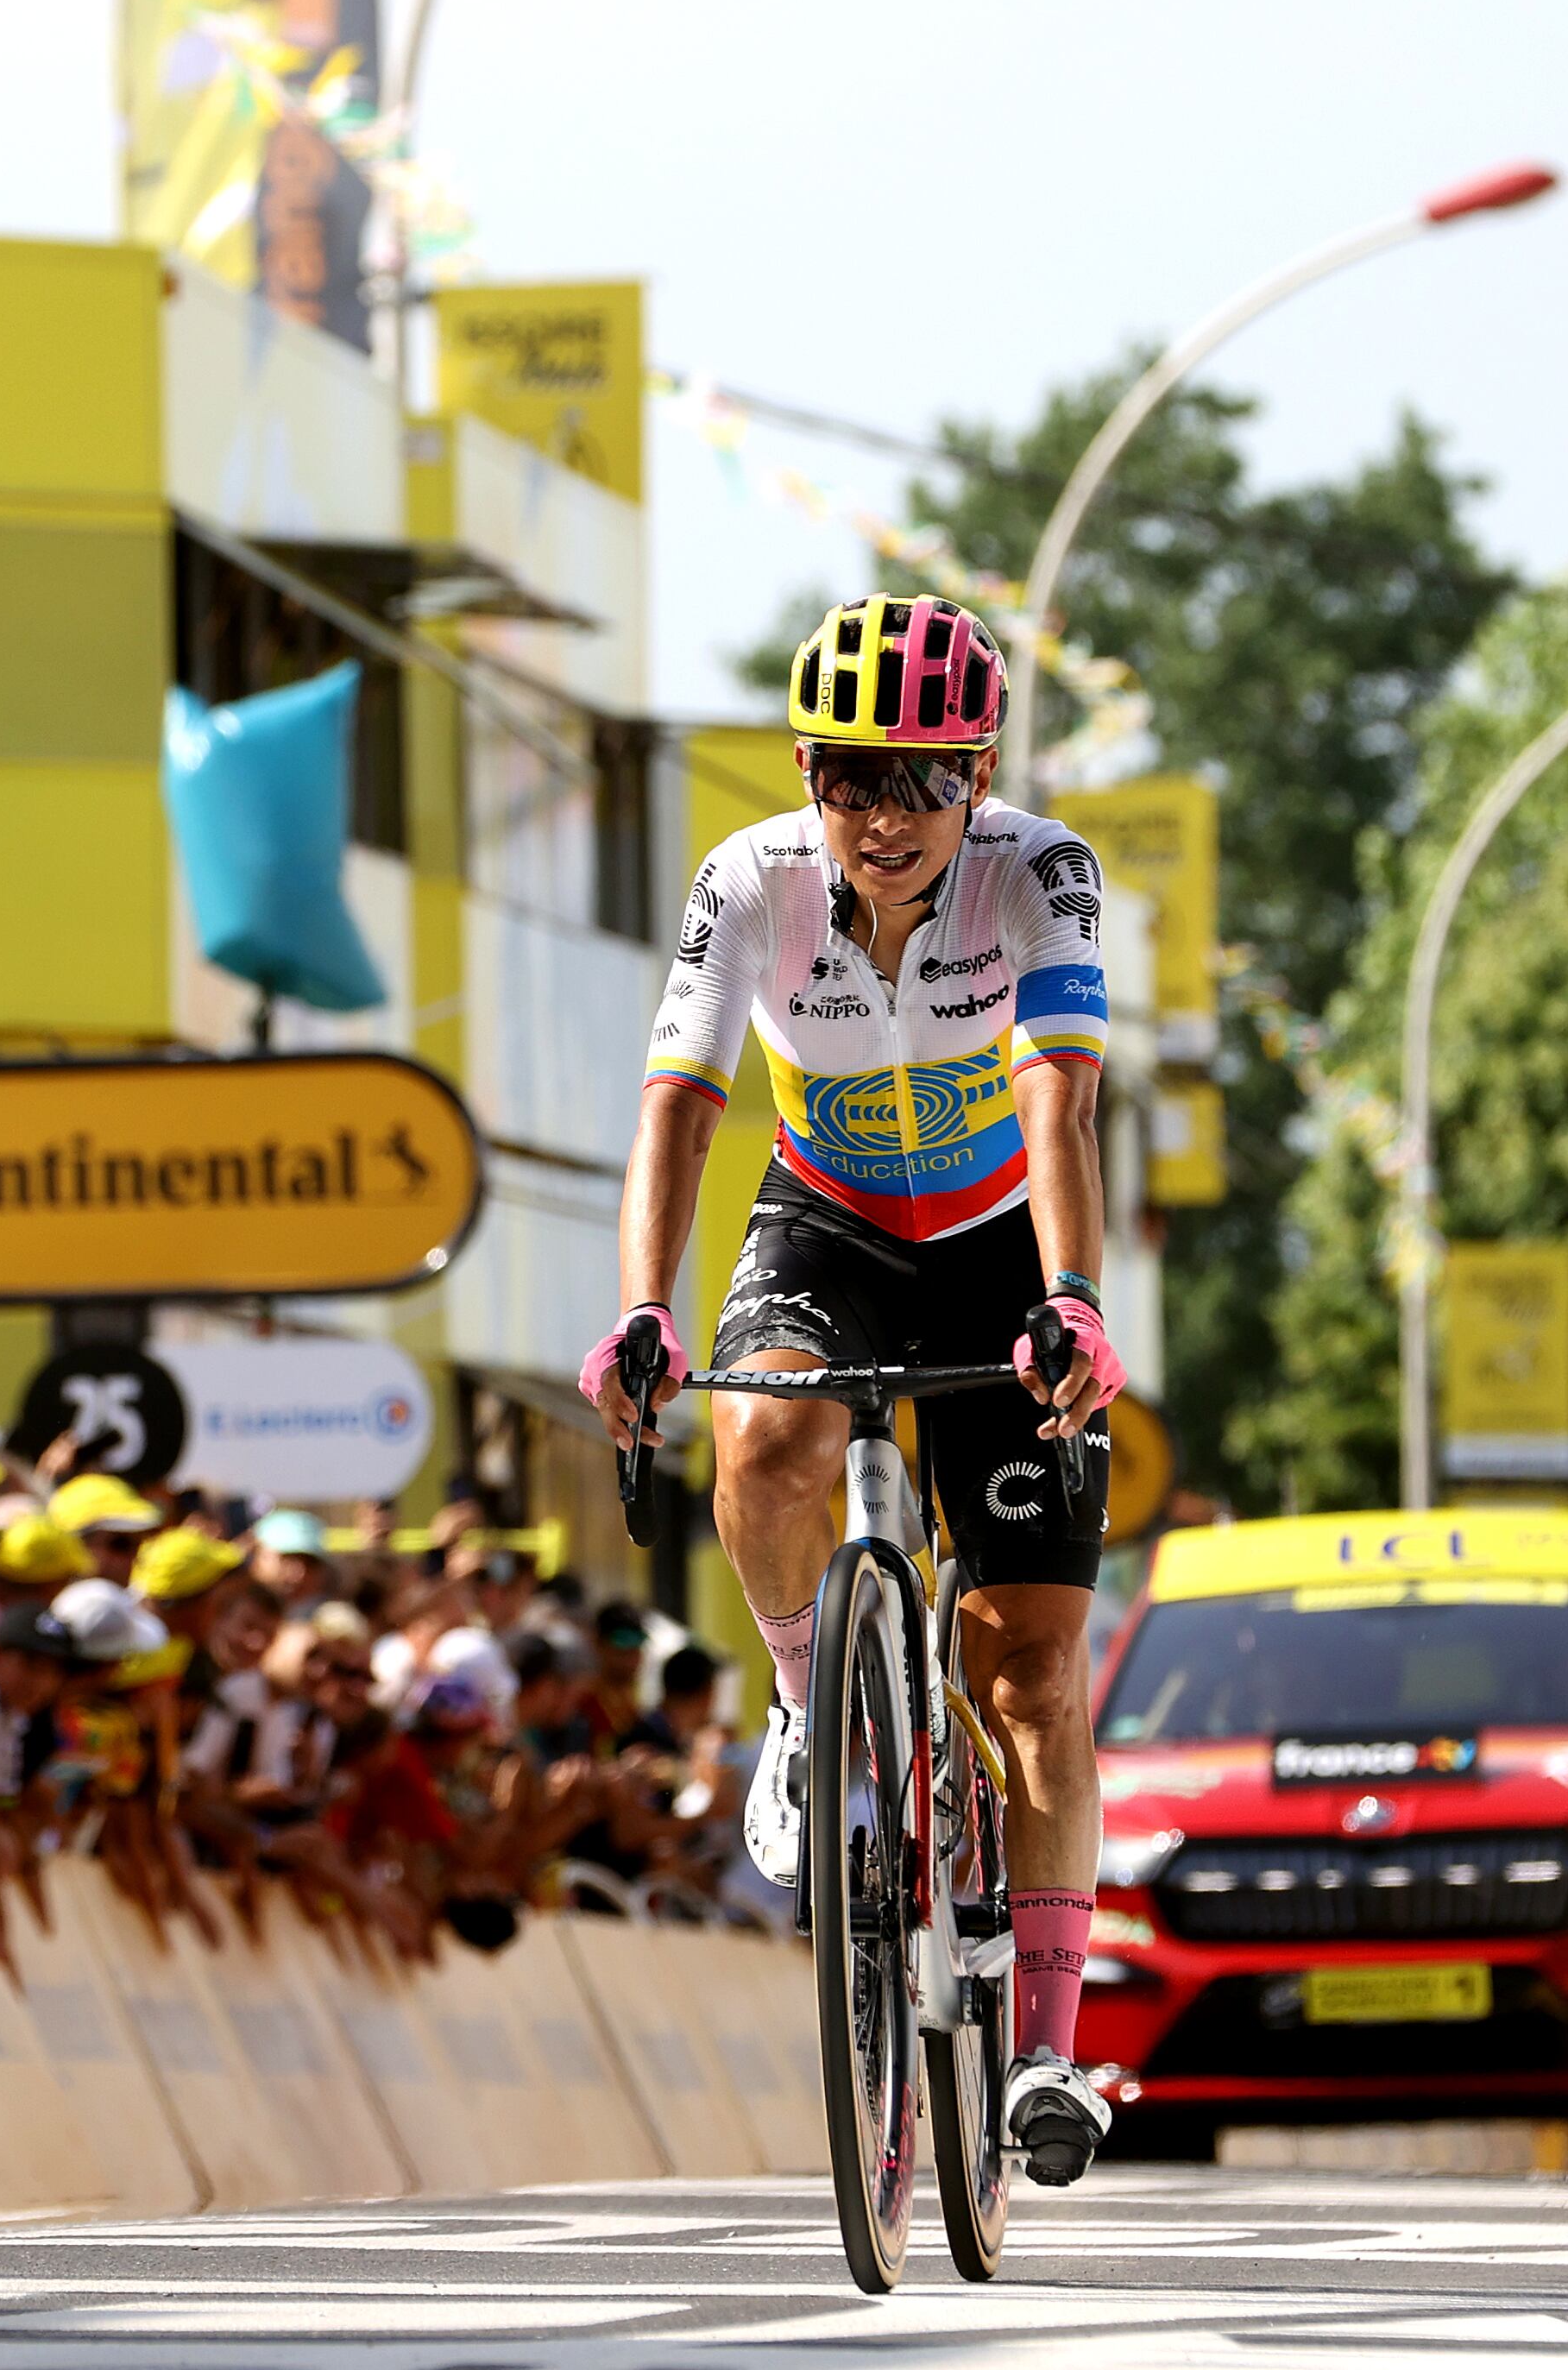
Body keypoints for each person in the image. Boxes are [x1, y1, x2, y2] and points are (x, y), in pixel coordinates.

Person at [578, 590, 1126, 2184]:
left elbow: (1058, 1099)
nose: (880, 818)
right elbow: (676, 1110)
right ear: (808, 772)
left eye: (921, 780)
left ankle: (1044, 2050)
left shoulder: (1040, 873)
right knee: (760, 1437)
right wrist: (638, 1310)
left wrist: (1073, 1301)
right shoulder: (748, 882)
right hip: (825, 1219)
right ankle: (815, 1703)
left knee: (1026, 1671)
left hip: (997, 1237)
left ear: (978, 773)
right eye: (845, 776)